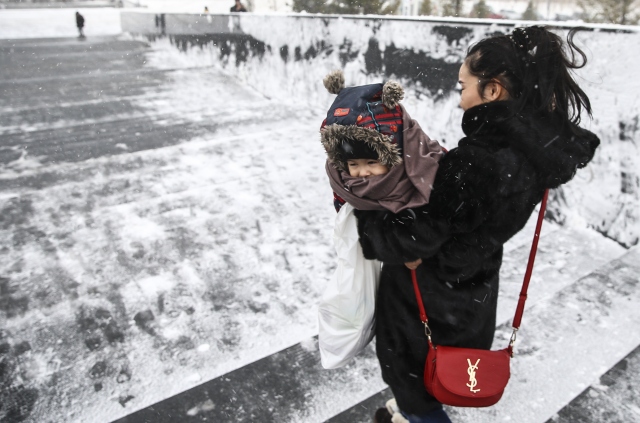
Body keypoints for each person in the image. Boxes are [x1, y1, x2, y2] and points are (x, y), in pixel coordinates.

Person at [353, 26, 600, 423]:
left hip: (426, 301)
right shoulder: (532, 153)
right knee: (439, 374)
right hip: (471, 292)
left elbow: (411, 238)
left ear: (493, 90)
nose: (459, 99)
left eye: (463, 87)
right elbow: (473, 218)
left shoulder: (477, 161)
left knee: (417, 386)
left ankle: (415, 414)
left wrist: (368, 211)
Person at [319, 70, 444, 216]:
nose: (363, 173)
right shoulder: (344, 189)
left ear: (397, 153)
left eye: (372, 162)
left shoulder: (430, 175)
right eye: (353, 164)